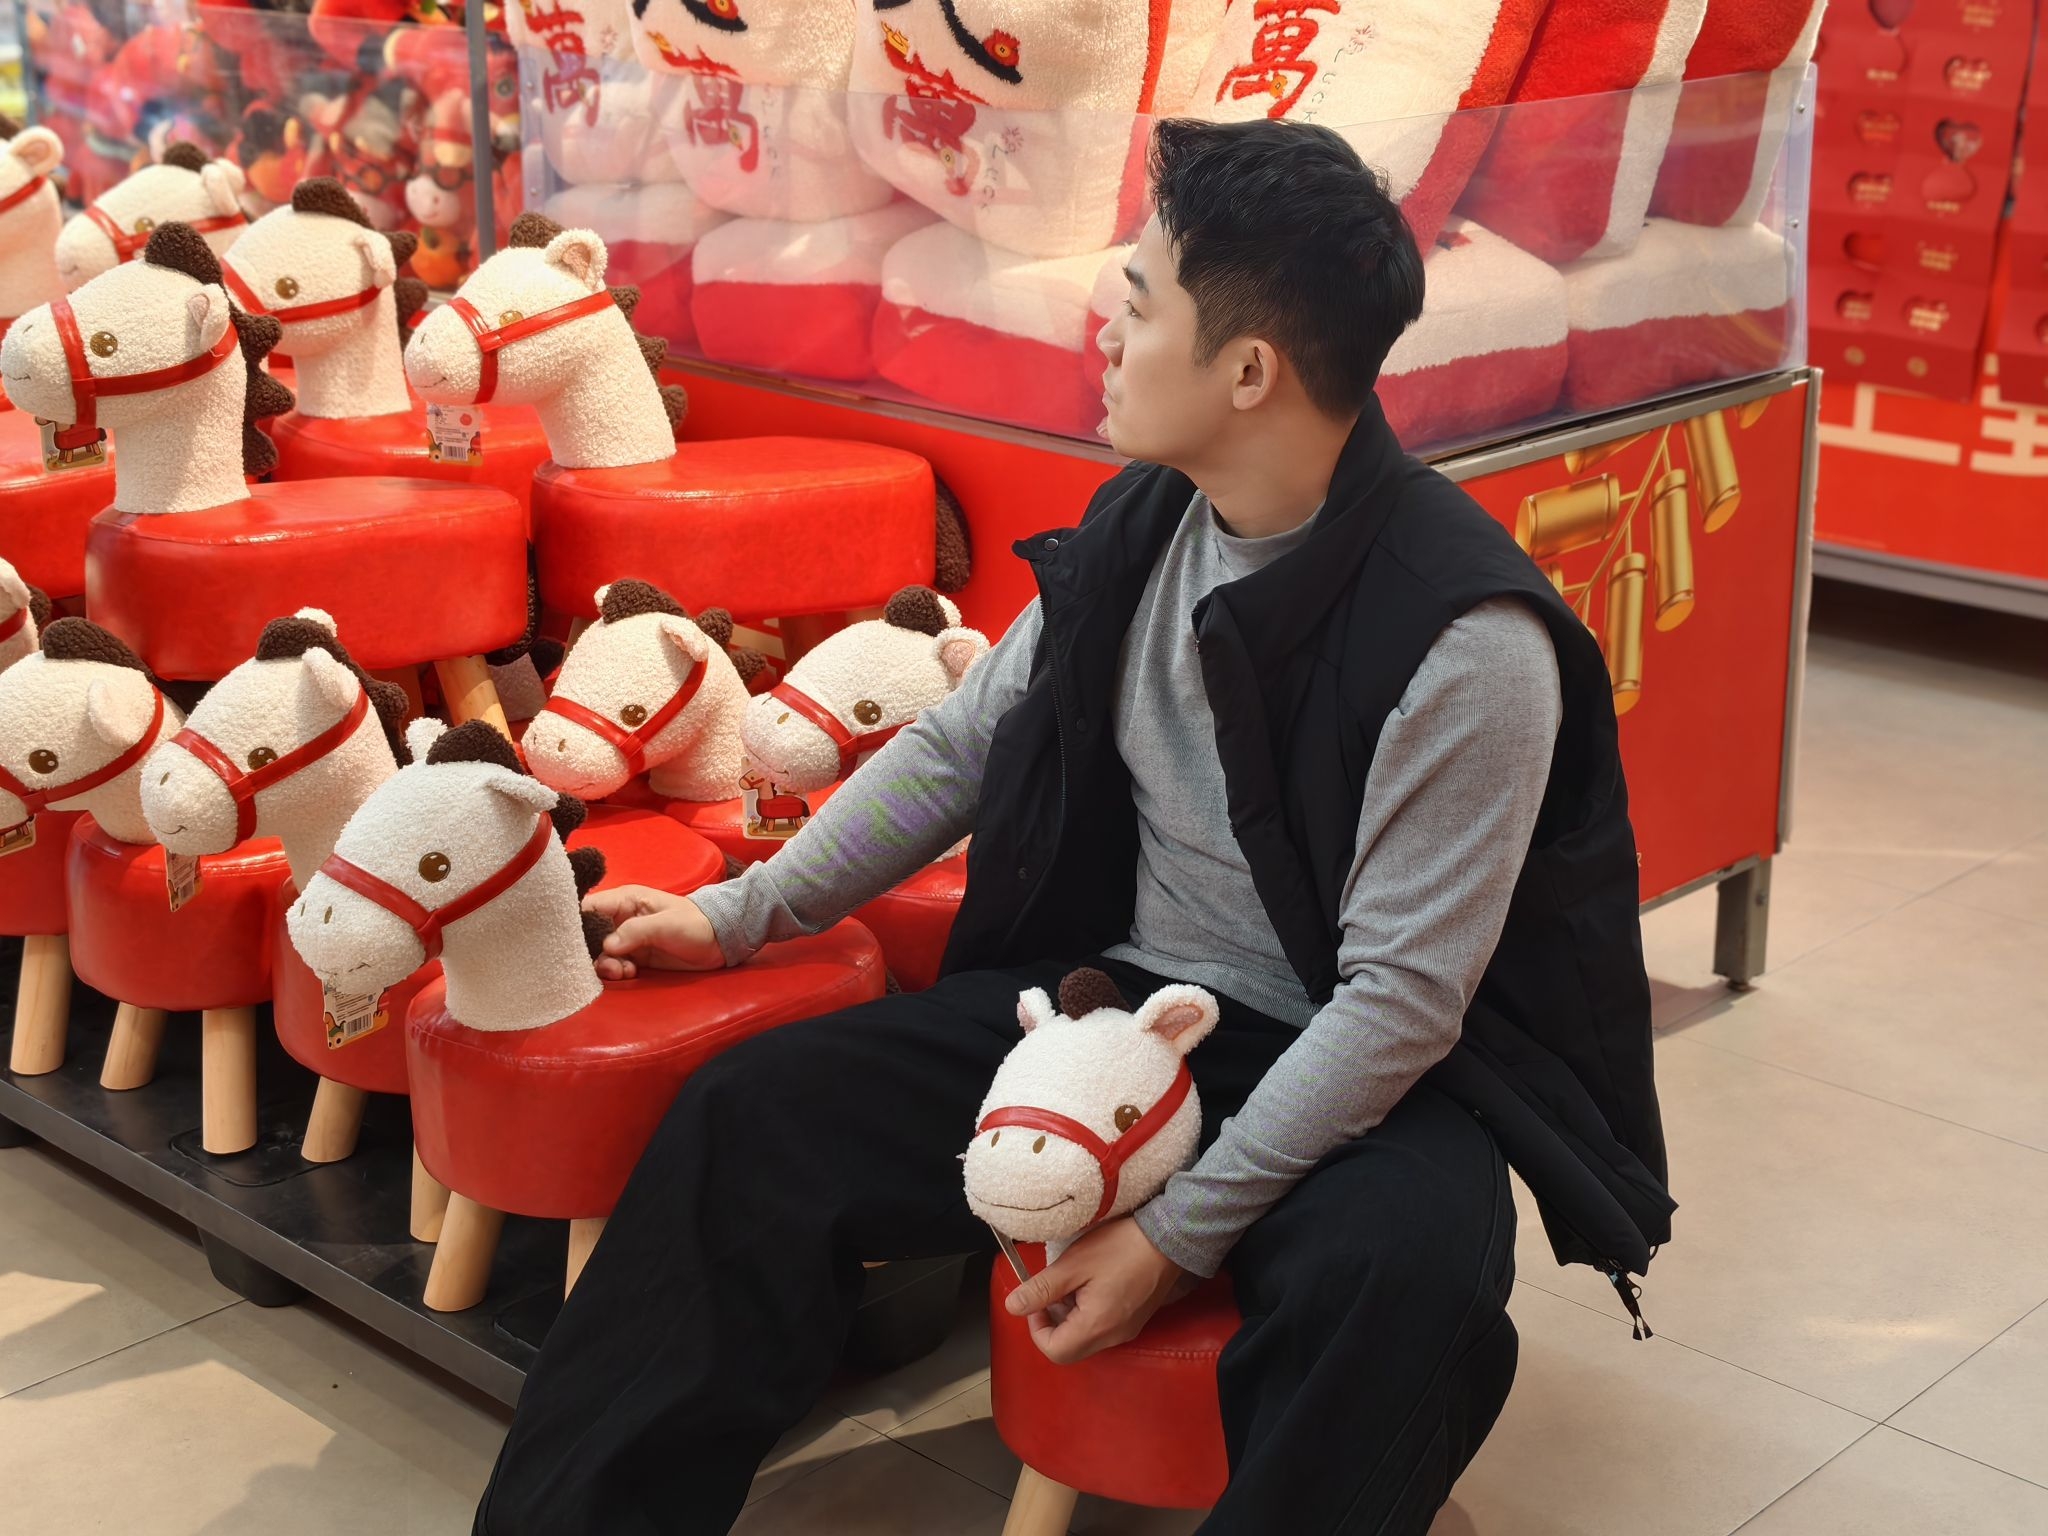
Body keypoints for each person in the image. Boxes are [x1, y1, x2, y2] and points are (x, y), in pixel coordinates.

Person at [474, 118, 1673, 1536]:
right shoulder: (1143, 527)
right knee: (752, 1121)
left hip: (1359, 1065)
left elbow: (1402, 1003)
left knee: (1407, 1283)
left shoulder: (1467, 637)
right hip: (1110, 1010)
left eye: (1143, 302)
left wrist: (1175, 1237)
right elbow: (962, 745)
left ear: (1249, 370)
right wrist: (743, 913)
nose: (1106, 326)